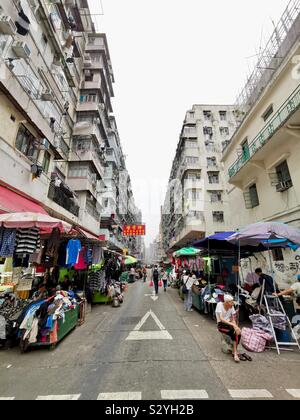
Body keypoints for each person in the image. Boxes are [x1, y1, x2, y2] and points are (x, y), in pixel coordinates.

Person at [216, 295, 241, 363]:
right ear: (226, 302)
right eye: (230, 302)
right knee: (233, 332)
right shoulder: (219, 305)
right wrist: (233, 325)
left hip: (229, 323)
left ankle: (234, 350)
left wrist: (236, 326)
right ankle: (235, 353)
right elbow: (221, 318)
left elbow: (233, 319)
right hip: (221, 324)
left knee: (238, 332)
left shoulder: (231, 306)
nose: (232, 303)